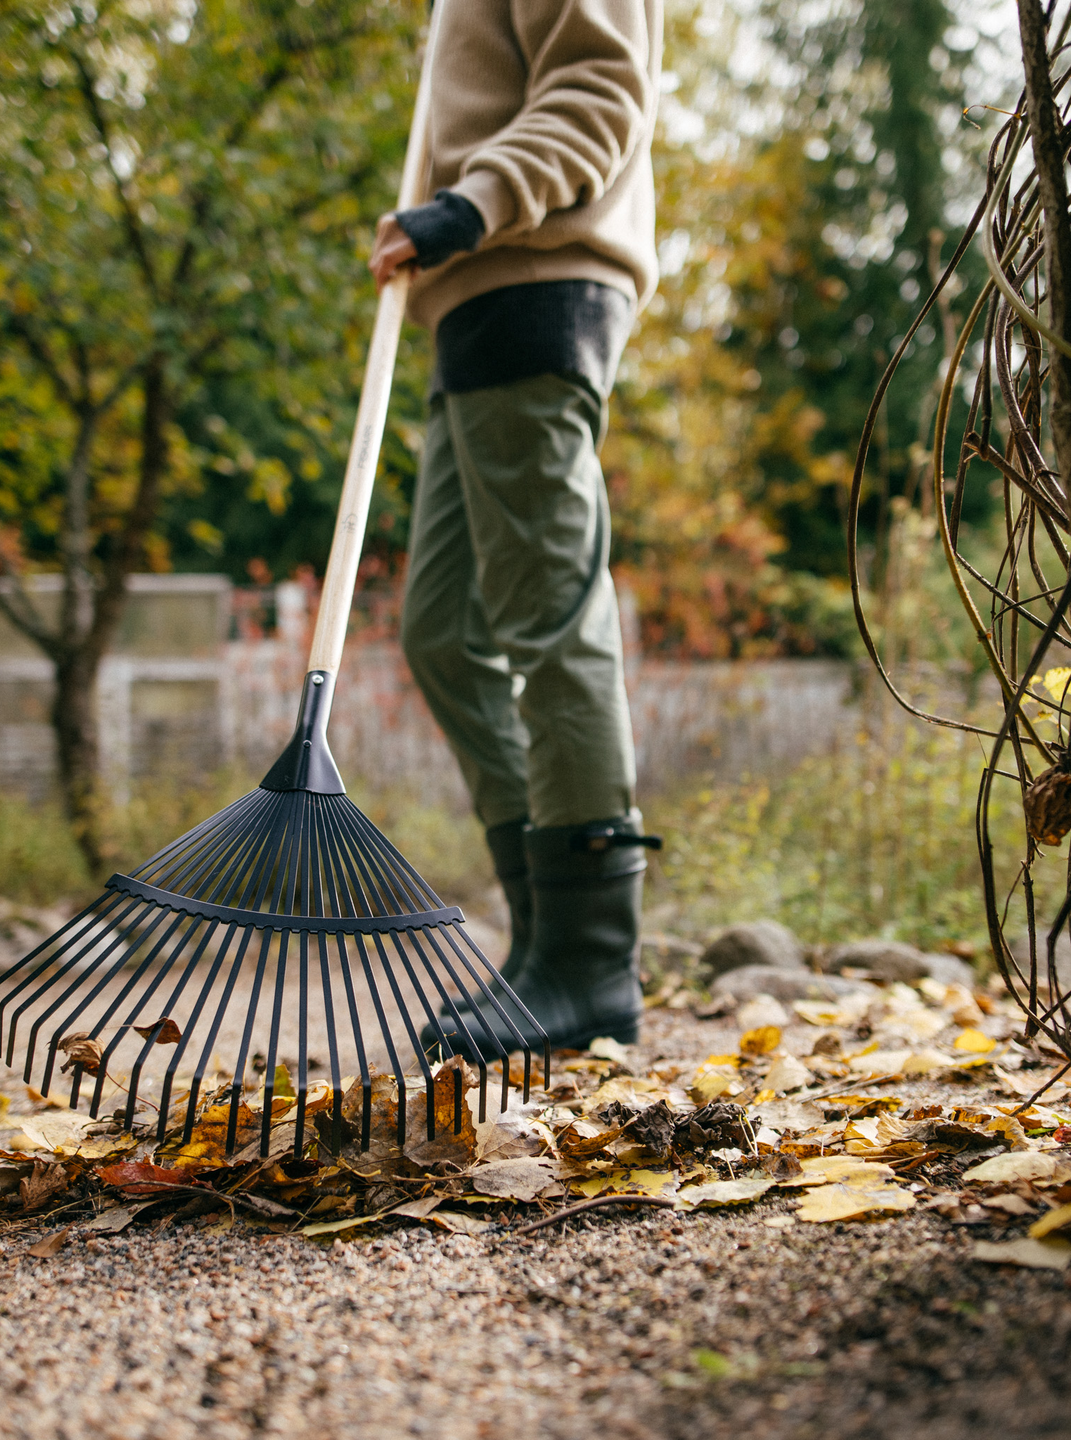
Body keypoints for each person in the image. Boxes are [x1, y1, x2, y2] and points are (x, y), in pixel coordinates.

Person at [369, 0, 664, 1053]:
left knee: (550, 619)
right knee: (445, 631)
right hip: (472, 304)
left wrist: (467, 206)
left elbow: (601, 90)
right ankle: (545, 937)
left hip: (535, 278)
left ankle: (590, 965)